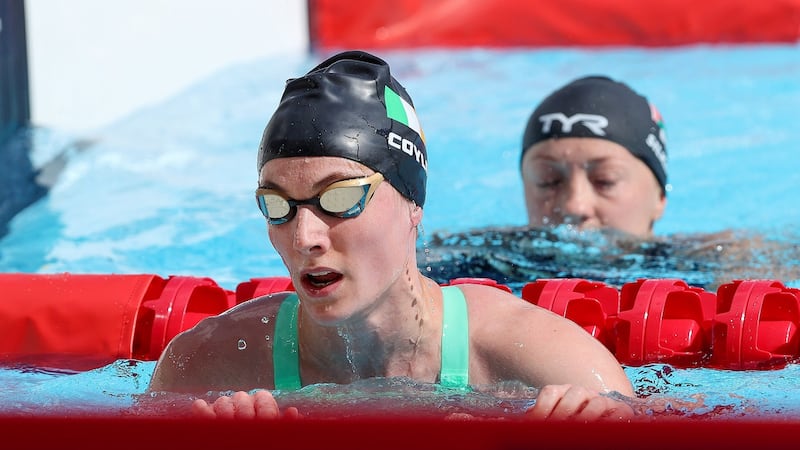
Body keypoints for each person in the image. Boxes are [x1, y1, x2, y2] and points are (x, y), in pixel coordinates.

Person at [147, 50, 635, 421]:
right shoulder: (204, 370)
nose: (304, 237)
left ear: (412, 205)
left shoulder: (548, 364)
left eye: (339, 198)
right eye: (278, 207)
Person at [520, 75, 668, 238]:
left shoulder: (693, 259)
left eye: (605, 181)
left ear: (659, 198)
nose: (574, 207)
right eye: (547, 182)